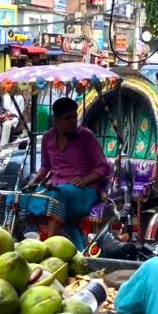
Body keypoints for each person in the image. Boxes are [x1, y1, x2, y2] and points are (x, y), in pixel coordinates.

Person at [26, 97, 110, 237]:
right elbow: (45, 168)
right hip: (57, 187)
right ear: (56, 121)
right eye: (67, 118)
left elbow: (103, 166)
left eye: (74, 116)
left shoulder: (86, 136)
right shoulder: (48, 138)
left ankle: (50, 245)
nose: (73, 121)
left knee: (56, 196)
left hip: (84, 190)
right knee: (19, 196)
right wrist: (30, 184)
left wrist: (85, 180)